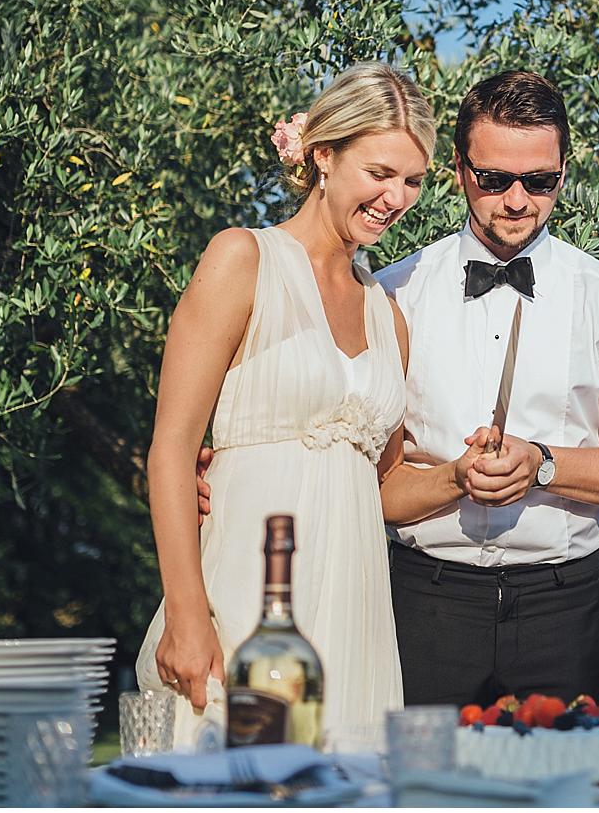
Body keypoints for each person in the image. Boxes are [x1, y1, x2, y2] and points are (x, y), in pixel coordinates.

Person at [135, 62, 437, 751]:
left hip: (356, 613)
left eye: (413, 180)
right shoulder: (244, 259)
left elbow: (385, 485)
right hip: (242, 596)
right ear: (324, 156)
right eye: (381, 171)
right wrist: (187, 614)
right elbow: (172, 448)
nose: (397, 196)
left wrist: (466, 475)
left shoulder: (389, 316)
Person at [372, 69, 599, 705]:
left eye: (539, 181)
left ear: (563, 174)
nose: (517, 200)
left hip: (565, 610)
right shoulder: (389, 294)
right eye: (494, 179)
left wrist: (543, 465)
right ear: (460, 170)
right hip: (422, 606)